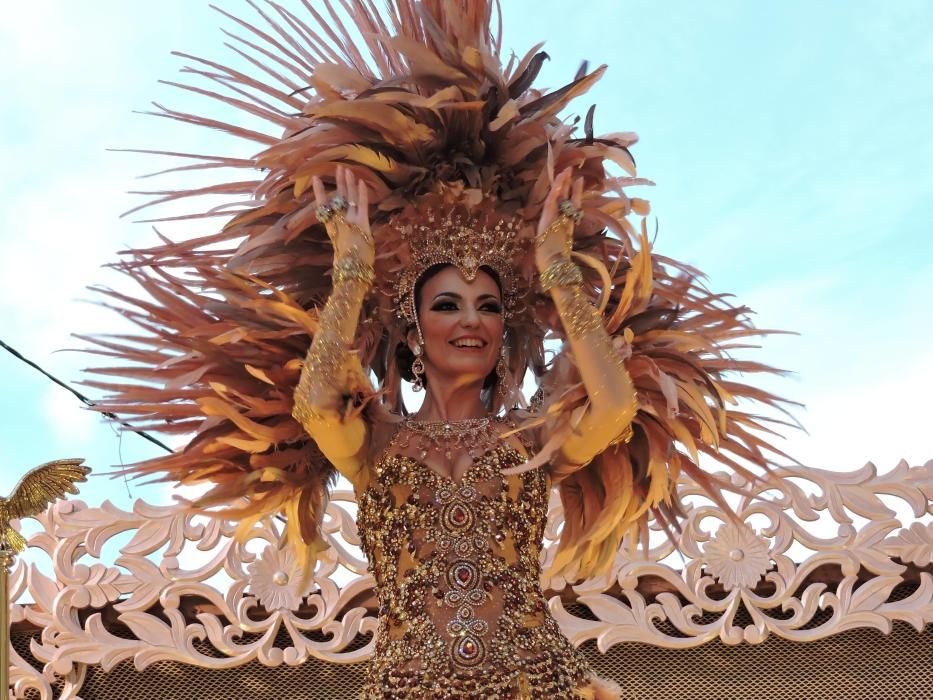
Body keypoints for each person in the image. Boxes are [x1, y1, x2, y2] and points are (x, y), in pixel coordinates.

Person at [87, 2, 793, 698]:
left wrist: (556, 270)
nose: (470, 322)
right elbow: (314, 403)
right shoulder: (376, 439)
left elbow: (613, 405)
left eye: (488, 305)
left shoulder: (530, 439)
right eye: (447, 304)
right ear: (414, 328)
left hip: (532, 685)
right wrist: (352, 272)